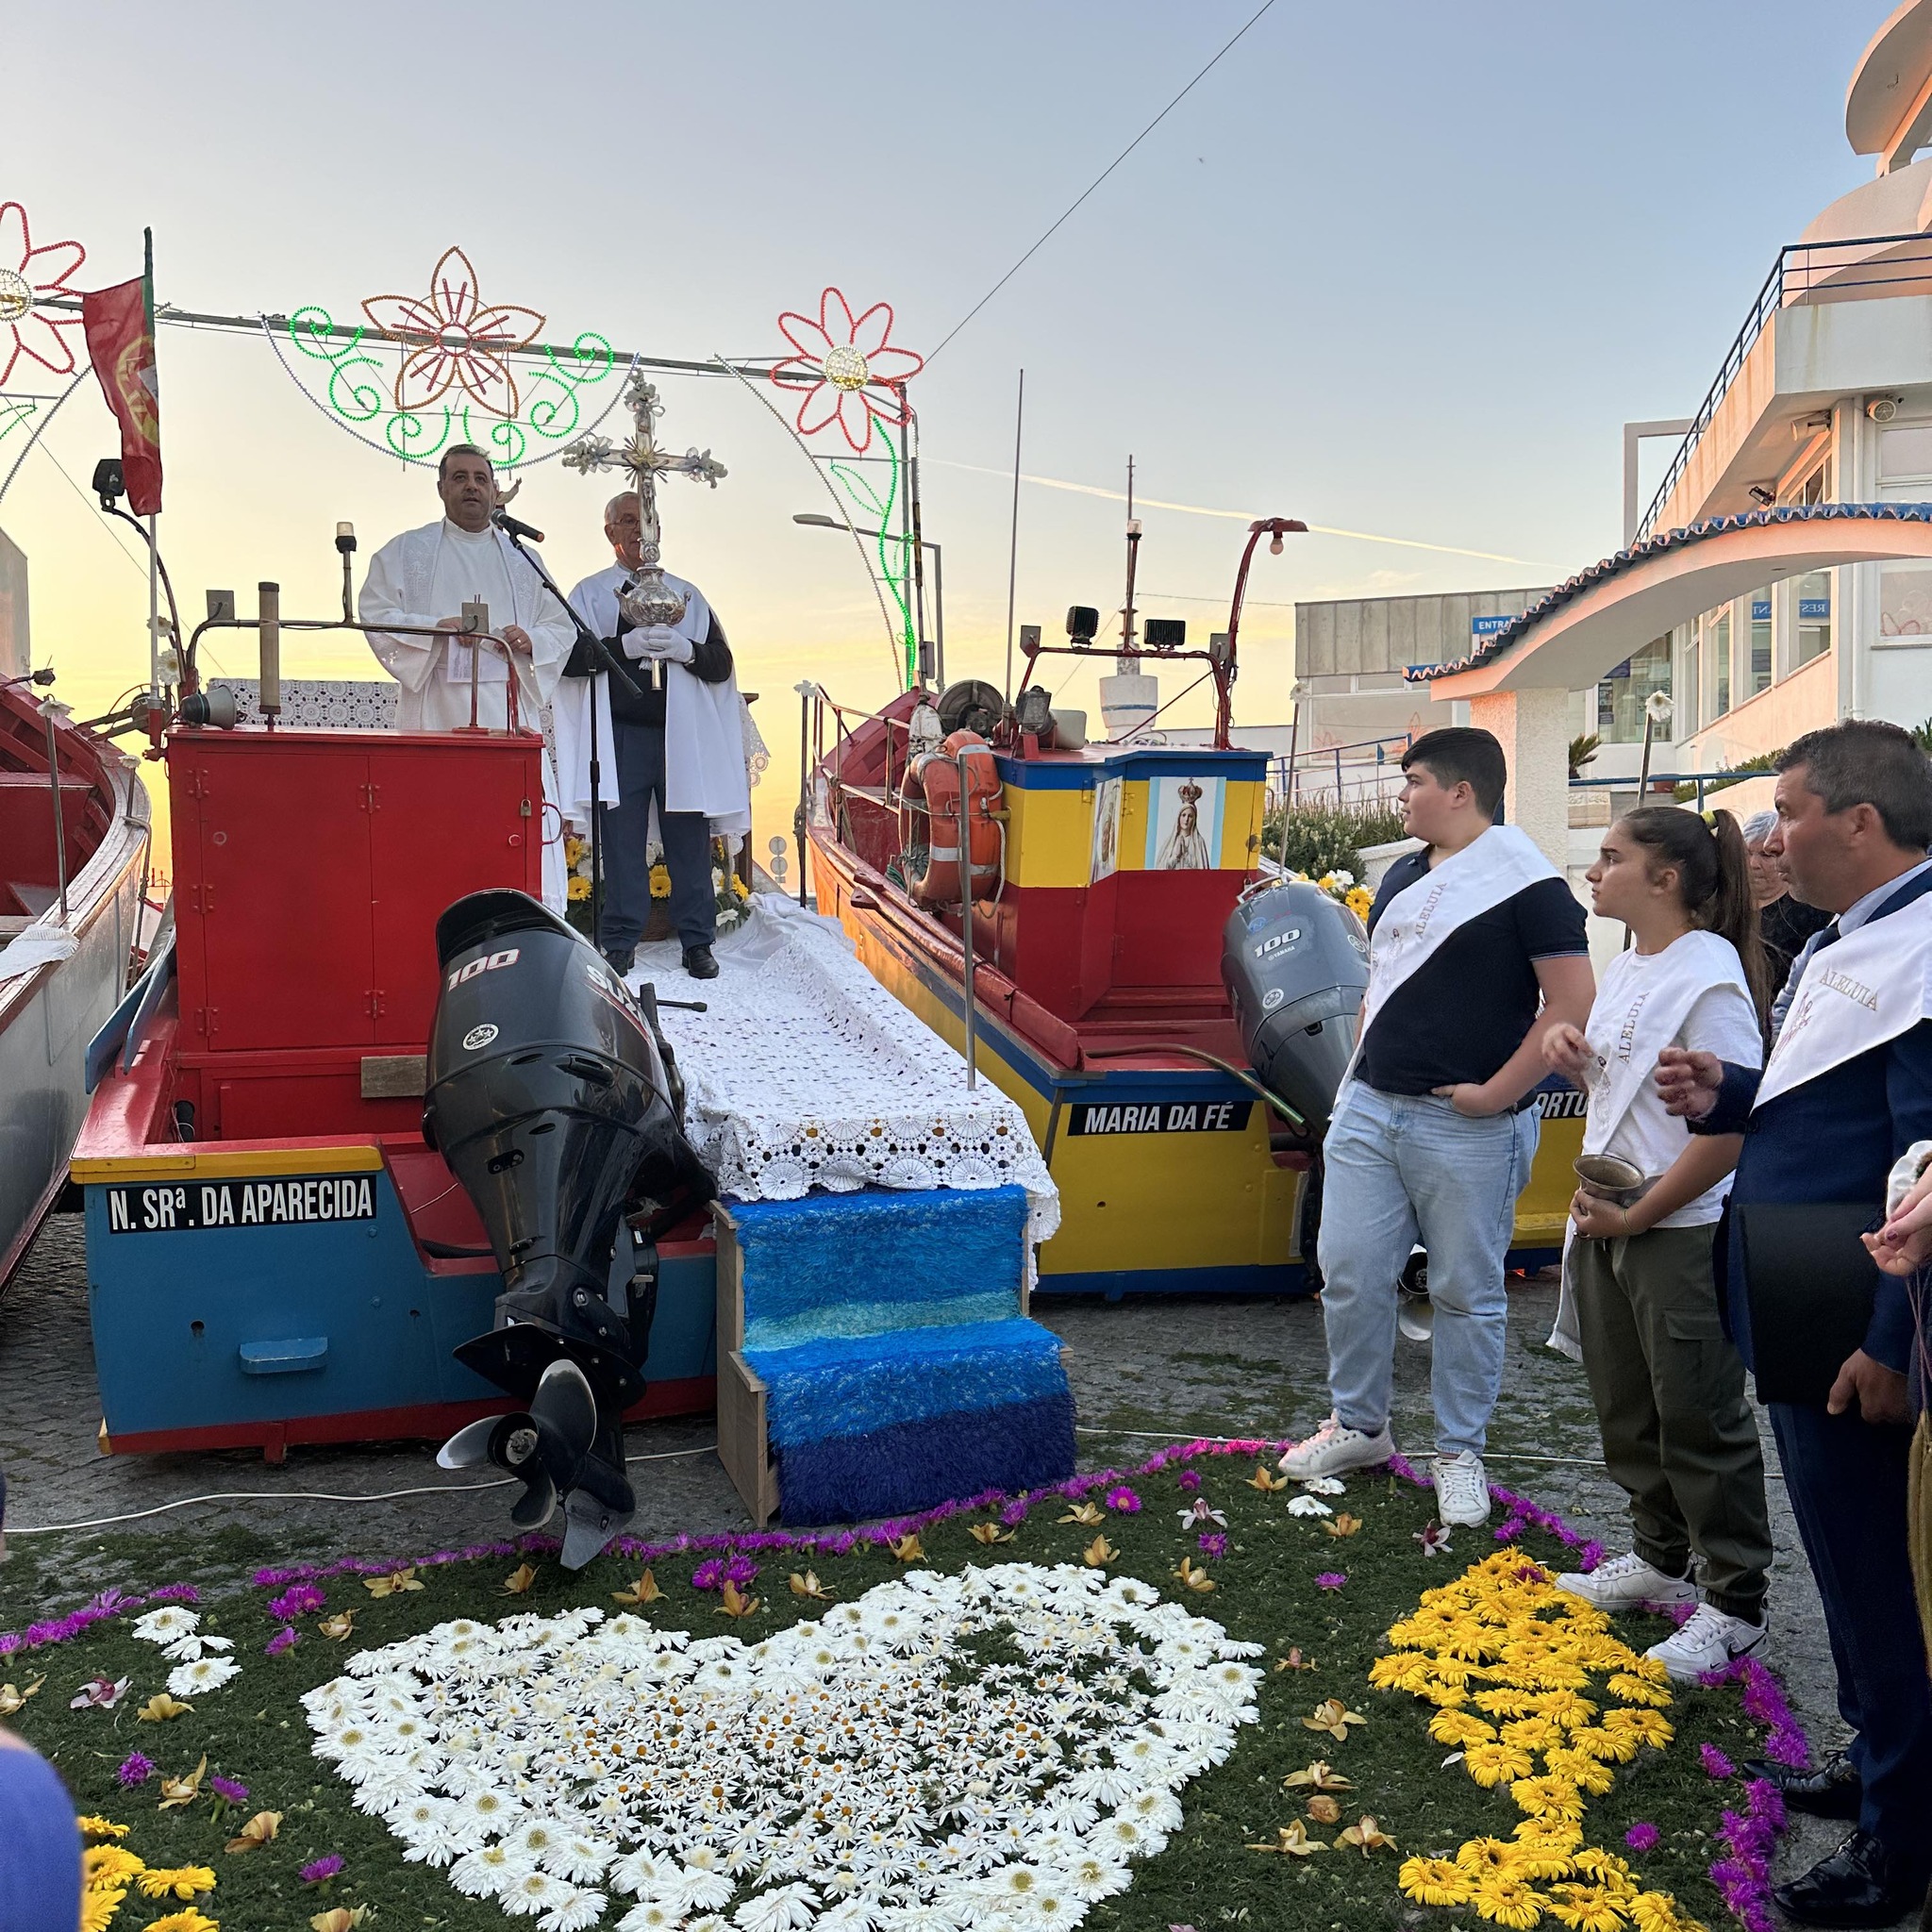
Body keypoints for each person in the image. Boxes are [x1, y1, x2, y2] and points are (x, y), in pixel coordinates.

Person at [1657, 720, 1932, 1928]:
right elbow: (1835, 1103)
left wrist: (1890, 1337)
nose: (1770, 833)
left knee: (1884, 1575)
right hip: (1803, 1293)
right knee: (1840, 1556)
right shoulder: (1853, 935)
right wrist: (1731, 1093)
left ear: (1856, 821)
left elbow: (1920, 1161)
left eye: (1787, 807)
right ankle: (1880, 1756)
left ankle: (1901, 1842)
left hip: (1857, 1317)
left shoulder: (1919, 948)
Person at [1279, 726, 1595, 1525]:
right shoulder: (1401, 876)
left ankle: (1459, 1449)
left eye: (1414, 779)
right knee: (1348, 1273)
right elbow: (1381, 988)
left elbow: (1571, 1002)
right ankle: (1359, 1427)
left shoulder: (1530, 885)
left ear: (1461, 791)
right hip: (1372, 1108)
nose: (1403, 793)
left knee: (1465, 1292)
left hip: (1469, 1126)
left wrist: (1496, 1096)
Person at [1541, 808, 1774, 1681]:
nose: (1595, 873)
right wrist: (1578, 1058)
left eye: (1612, 857)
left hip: (1673, 1227)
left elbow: (1728, 1132)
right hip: (1611, 1219)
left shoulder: (1707, 975)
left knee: (1699, 1417)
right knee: (1627, 1406)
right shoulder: (1634, 961)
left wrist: (1638, 1217)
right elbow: (1635, 1084)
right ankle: (1658, 1553)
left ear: (1666, 879)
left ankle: (1734, 1602)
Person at [358, 444, 575, 910]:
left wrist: (529, 637)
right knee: (438, 820)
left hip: (507, 709)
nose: (472, 486)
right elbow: (375, 613)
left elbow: (561, 625)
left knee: (509, 826)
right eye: (459, 478)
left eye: (481, 478)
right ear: (441, 489)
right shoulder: (406, 550)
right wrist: (432, 629)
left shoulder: (525, 561)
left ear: (496, 490)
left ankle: (526, 914)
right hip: (435, 704)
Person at [553, 491, 750, 980]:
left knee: (689, 840)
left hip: (680, 737)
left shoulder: (686, 594)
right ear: (609, 533)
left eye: (647, 521)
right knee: (620, 844)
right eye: (627, 521)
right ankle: (620, 942)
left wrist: (687, 650)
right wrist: (622, 646)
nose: (639, 531)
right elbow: (568, 660)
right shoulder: (591, 594)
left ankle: (697, 942)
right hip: (619, 738)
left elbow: (722, 664)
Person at [1743, 806, 1830, 1002]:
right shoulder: (1724, 907)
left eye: (1766, 855)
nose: (1753, 864)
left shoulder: (1810, 912)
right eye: (1747, 853)